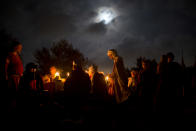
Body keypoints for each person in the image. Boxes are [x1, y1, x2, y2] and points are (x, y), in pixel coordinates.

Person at [5, 40, 23, 109]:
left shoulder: (18, 56)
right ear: (15, 47)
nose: (20, 48)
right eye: (19, 47)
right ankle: (11, 107)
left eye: (21, 47)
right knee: (12, 92)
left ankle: (15, 106)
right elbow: (6, 65)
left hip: (18, 77)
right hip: (12, 77)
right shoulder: (10, 55)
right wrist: (5, 74)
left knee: (17, 93)